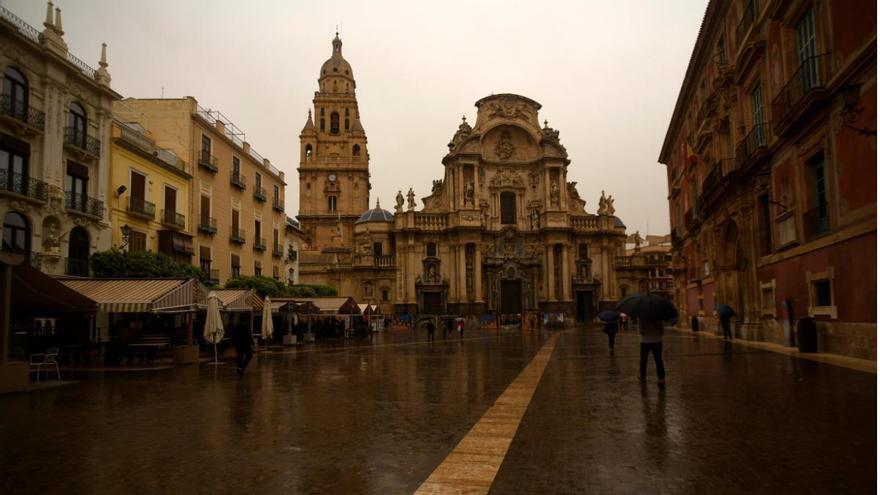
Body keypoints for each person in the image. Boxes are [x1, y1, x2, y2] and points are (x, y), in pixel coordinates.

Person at [638, 318, 666, 387]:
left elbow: (641, 331)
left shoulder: (642, 317)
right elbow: (662, 330)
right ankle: (661, 378)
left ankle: (643, 376)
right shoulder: (658, 316)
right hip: (657, 340)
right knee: (658, 360)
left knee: (644, 360)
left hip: (645, 341)